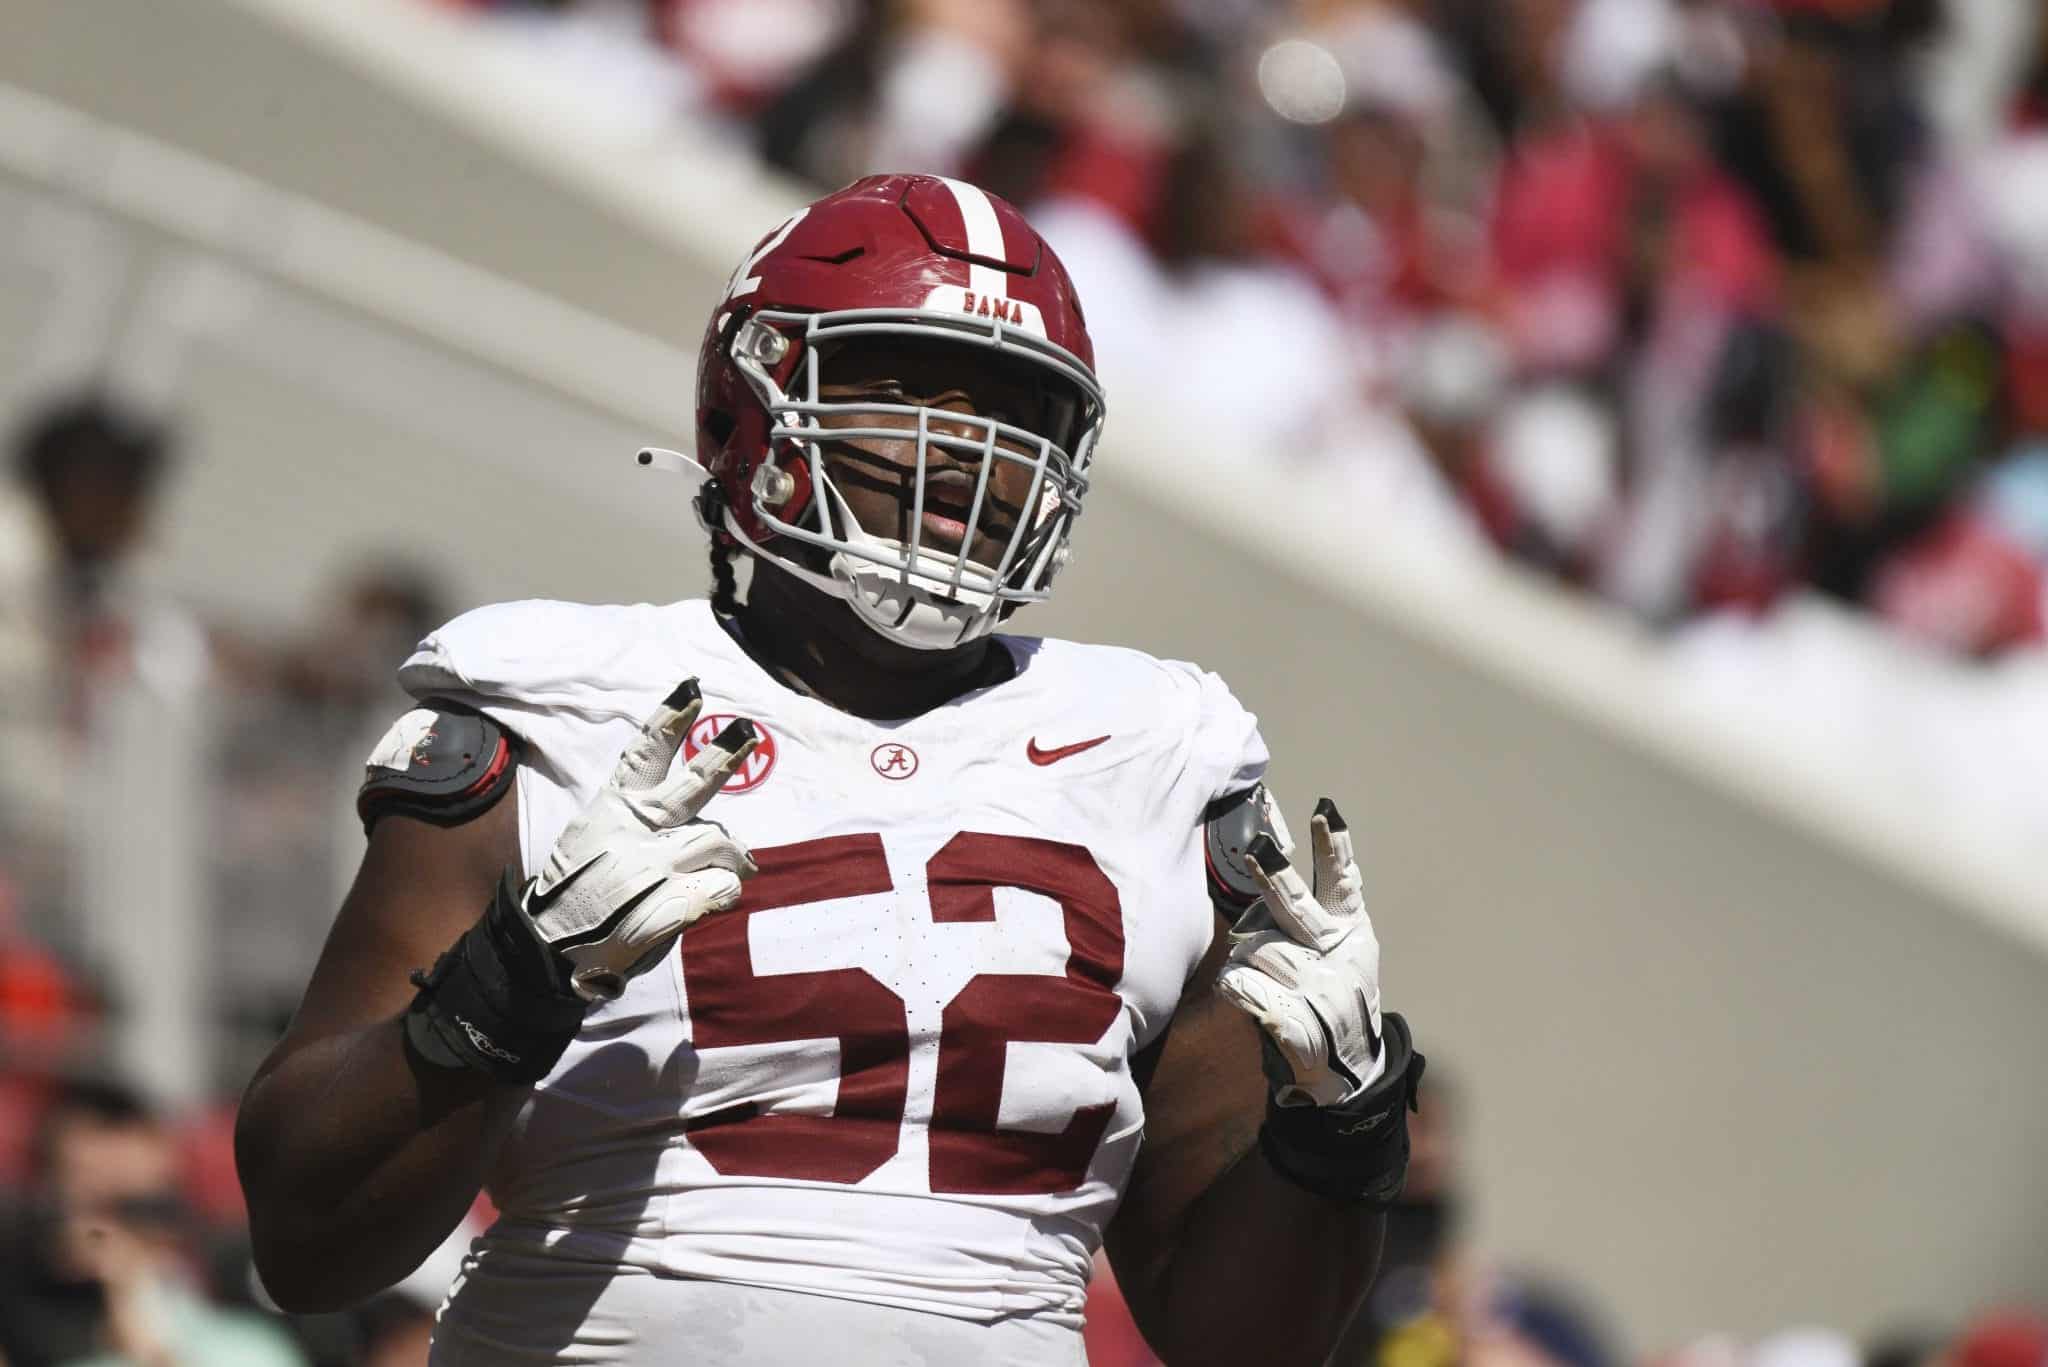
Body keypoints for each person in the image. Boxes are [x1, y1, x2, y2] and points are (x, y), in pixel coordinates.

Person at [234, 173, 1424, 1366]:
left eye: (1015, 410)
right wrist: (513, 985)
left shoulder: (1157, 756)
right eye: (901, 386)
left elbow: (1243, 1344)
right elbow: (307, 1240)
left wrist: (1342, 1127)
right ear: (745, 405)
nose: (962, 450)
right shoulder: (566, 704)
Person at [0, 1076, 305, 1367]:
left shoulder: (234, 1292)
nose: (112, 1233)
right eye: (96, 1209)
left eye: (137, 1208)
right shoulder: (24, 1289)